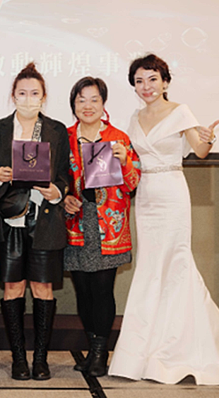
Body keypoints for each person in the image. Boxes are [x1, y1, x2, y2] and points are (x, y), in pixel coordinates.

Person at [108, 54, 219, 385]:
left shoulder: (181, 111)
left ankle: (183, 349)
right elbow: (132, 159)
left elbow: (199, 150)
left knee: (176, 265)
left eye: (152, 79)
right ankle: (142, 352)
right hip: (145, 196)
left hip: (172, 192)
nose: (146, 86)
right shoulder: (134, 117)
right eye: (139, 81)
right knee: (150, 267)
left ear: (165, 82)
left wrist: (208, 137)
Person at [0, 62, 70, 381]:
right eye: (22, 93)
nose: (28, 99)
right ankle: (18, 358)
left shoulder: (57, 130)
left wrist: (57, 191)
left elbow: (65, 174)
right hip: (10, 222)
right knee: (13, 287)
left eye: (35, 93)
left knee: (43, 287)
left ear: (43, 97)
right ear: (13, 96)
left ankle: (41, 359)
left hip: (45, 218)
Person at [63, 77, 141, 377]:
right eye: (81, 100)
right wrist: (64, 198)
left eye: (94, 99)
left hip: (109, 226)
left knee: (102, 289)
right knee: (83, 290)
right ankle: (92, 347)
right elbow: (55, 180)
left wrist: (125, 162)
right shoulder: (65, 137)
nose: (88, 106)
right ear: (73, 104)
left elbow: (133, 183)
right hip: (76, 224)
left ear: (103, 103)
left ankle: (100, 353)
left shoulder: (118, 137)